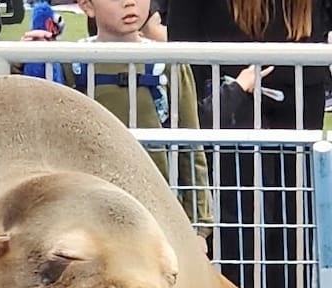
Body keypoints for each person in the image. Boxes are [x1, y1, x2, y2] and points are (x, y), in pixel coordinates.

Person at [168, 0, 328, 288]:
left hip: (293, 113)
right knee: (237, 231)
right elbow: (183, 53)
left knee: (289, 232)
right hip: (228, 111)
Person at [20, 0, 215, 248]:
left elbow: (190, 146)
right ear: (87, 6)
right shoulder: (70, 61)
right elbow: (36, 123)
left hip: (158, 214)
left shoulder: (168, 62)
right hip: (87, 215)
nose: (130, 3)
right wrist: (26, 62)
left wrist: (198, 226)